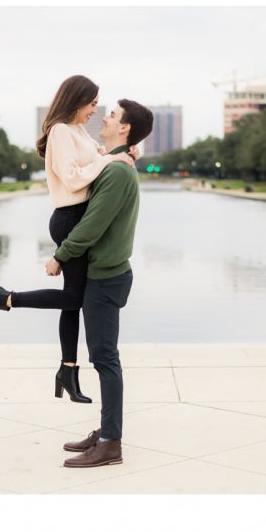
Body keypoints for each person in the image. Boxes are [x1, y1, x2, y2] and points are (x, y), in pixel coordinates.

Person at [0, 75, 137, 403]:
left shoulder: (77, 132)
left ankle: (68, 369)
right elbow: (74, 179)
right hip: (69, 219)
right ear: (77, 100)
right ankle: (4, 299)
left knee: (72, 300)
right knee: (74, 300)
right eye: (92, 103)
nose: (94, 110)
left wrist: (119, 155)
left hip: (78, 217)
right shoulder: (61, 131)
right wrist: (110, 159)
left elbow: (98, 164)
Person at [51, 97, 153, 468]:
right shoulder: (116, 164)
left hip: (106, 277)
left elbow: (92, 224)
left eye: (111, 115)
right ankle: (106, 431)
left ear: (124, 128)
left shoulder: (117, 172)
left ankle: (111, 443)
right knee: (103, 358)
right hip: (107, 275)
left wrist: (60, 255)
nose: (105, 117)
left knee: (105, 360)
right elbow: (91, 156)